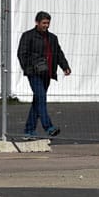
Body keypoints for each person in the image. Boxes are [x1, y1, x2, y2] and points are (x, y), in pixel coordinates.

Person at [17, 11, 71, 139]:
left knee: (38, 101)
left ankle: (29, 130)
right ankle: (48, 127)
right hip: (34, 73)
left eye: (48, 23)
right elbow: (21, 54)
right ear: (37, 22)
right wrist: (29, 68)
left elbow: (58, 53)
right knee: (41, 98)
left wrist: (65, 66)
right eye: (44, 23)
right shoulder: (28, 36)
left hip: (47, 73)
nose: (46, 25)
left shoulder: (52, 38)